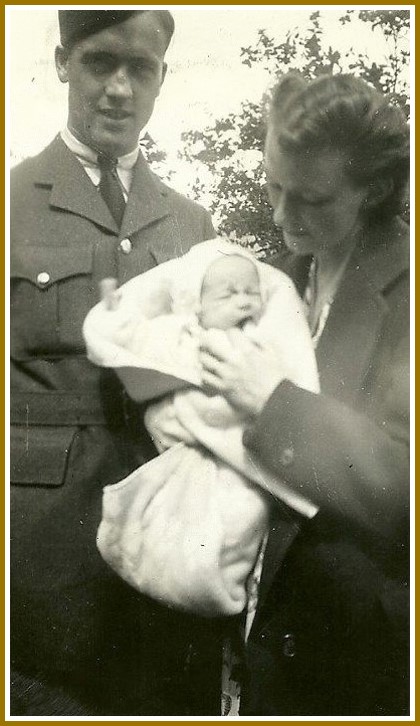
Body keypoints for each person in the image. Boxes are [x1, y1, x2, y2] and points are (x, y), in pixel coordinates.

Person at [10, 9, 216, 716]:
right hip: (40, 577)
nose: (121, 89)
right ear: (63, 61)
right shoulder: (10, 204)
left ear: (163, 78)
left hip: (167, 561)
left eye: (142, 69)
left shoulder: (191, 224)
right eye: (102, 63)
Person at [199, 73, 410, 716]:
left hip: (368, 664)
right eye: (272, 185)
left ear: (373, 188)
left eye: (313, 199)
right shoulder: (276, 284)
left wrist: (276, 403)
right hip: (269, 649)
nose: (284, 216)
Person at [82, 240, 318, 621]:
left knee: (244, 516)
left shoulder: (260, 339)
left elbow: (285, 379)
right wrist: (115, 314)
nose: (243, 300)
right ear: (199, 304)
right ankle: (180, 576)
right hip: (189, 451)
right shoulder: (184, 333)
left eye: (250, 292)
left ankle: (219, 586)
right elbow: (137, 341)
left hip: (242, 459)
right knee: (166, 522)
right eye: (228, 294)